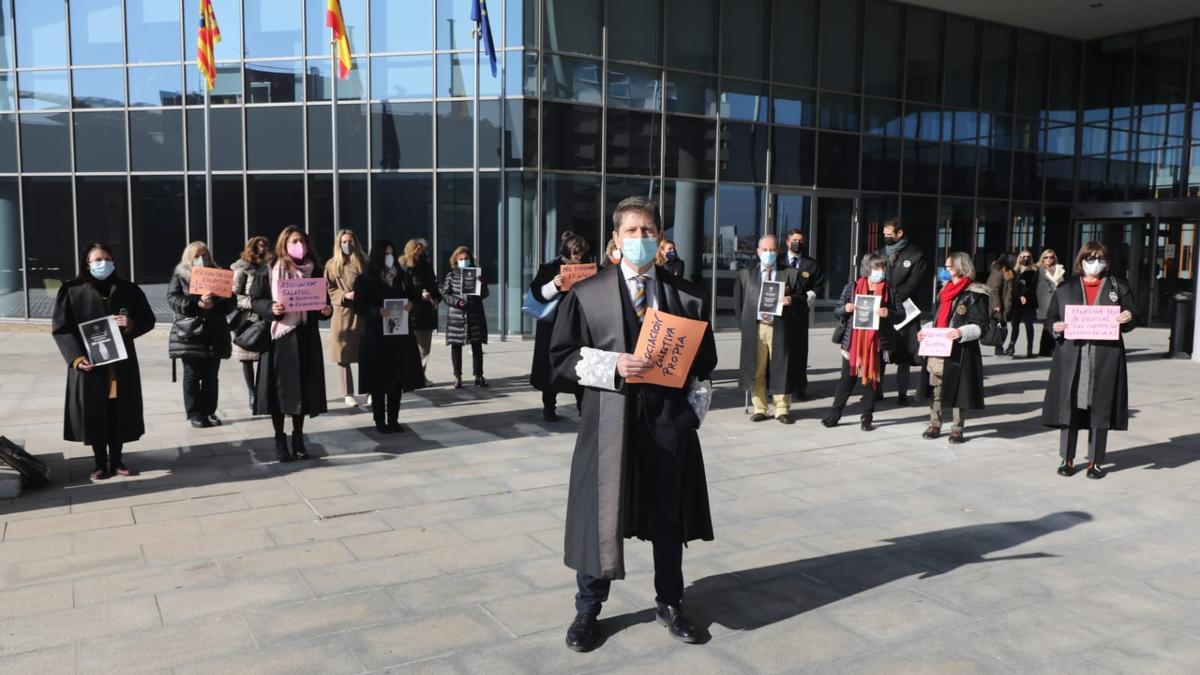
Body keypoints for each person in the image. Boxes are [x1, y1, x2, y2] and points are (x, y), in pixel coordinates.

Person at [551, 196, 717, 652]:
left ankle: (671, 602)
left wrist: (689, 418)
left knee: (668, 516)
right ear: (615, 241)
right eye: (632, 231)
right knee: (601, 515)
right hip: (609, 423)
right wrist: (614, 365)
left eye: (649, 231)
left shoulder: (686, 295)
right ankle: (588, 609)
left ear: (661, 238)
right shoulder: (587, 294)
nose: (641, 239)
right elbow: (560, 360)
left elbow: (705, 366)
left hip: (667, 424)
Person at [52, 243, 155, 480]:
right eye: (97, 259)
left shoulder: (128, 289)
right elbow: (61, 328)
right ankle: (99, 463)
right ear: (87, 263)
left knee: (118, 411)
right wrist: (76, 358)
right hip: (90, 365)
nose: (103, 263)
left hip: (120, 365)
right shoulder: (71, 290)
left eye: (107, 258)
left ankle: (117, 460)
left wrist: (131, 325)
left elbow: (147, 319)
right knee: (95, 413)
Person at [1042, 242, 1135, 480]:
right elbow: (1050, 318)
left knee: (1101, 407)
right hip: (1073, 355)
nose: (1095, 263)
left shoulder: (1118, 286)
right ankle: (1067, 458)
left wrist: (1127, 317)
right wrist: (1055, 327)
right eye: (1090, 258)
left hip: (1105, 355)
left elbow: (1133, 317)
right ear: (1081, 261)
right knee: (1069, 407)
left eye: (1100, 259)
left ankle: (1096, 461)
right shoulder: (1066, 288)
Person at [251, 226, 333, 462]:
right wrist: (271, 308)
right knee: (279, 392)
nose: (300, 245)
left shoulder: (314, 270)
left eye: (303, 241)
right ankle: (280, 440)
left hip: (306, 337)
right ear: (284, 244)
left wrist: (326, 310)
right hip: (280, 339)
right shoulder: (269, 269)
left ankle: (298, 438)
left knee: (303, 391)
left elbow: (323, 303)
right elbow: (256, 300)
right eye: (295, 241)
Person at [822, 254, 904, 431]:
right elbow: (837, 311)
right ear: (868, 270)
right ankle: (834, 415)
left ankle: (867, 417)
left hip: (877, 344)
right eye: (876, 269)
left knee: (871, 382)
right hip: (853, 342)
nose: (880, 273)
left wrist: (888, 313)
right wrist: (846, 309)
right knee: (846, 380)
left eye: (883, 269)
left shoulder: (890, 290)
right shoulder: (852, 287)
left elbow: (901, 315)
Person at [918, 252, 989, 444]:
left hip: (960, 350)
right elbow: (935, 318)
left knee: (959, 389)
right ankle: (935, 423)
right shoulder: (943, 291)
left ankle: (957, 427)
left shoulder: (976, 293)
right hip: (938, 347)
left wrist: (961, 332)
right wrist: (925, 331)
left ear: (961, 267)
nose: (946, 270)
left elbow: (981, 325)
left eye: (949, 267)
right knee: (936, 388)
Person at [354, 240, 423, 433]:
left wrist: (411, 305)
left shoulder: (401, 276)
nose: (390, 257)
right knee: (378, 381)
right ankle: (379, 420)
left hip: (398, 335)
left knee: (397, 379)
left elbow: (414, 296)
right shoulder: (364, 279)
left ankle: (394, 419)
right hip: (376, 336)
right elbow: (358, 306)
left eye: (392, 253)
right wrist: (376, 311)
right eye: (386, 254)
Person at [733, 234, 802, 425]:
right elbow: (739, 304)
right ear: (758, 252)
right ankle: (760, 408)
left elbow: (802, 302)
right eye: (765, 250)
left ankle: (782, 409)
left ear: (777, 251)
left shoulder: (789, 274)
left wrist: (792, 301)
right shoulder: (745, 275)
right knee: (757, 368)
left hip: (779, 328)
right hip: (756, 328)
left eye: (772, 250)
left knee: (782, 367)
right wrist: (744, 328)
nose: (769, 253)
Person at [167, 241, 233, 428]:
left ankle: (210, 411)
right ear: (189, 257)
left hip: (214, 333)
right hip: (190, 333)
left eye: (204, 254)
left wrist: (215, 305)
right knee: (192, 375)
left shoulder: (219, 274)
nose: (201, 258)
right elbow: (173, 298)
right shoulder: (180, 274)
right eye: (197, 255)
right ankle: (195, 413)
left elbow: (230, 301)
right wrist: (196, 303)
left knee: (211, 376)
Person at [529, 232, 589, 421]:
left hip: (579, 324)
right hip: (553, 326)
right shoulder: (549, 268)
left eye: (580, 253)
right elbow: (537, 294)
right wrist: (554, 285)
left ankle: (583, 410)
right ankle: (549, 408)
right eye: (575, 252)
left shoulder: (588, 268)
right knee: (550, 369)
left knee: (581, 367)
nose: (577, 257)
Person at [874, 218, 927, 405]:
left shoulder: (915, 255)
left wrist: (893, 301)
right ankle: (877, 389)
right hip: (882, 310)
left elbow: (913, 284)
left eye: (889, 235)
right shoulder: (879, 254)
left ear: (899, 234)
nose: (886, 238)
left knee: (903, 355)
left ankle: (902, 394)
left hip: (905, 312)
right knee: (879, 352)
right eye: (884, 235)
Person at [780, 228, 824, 398]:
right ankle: (778, 386)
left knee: (799, 351)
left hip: (799, 312)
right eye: (795, 240)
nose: (798, 243)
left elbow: (819, 284)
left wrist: (812, 294)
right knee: (780, 351)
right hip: (780, 312)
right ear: (788, 242)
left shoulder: (811, 264)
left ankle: (799, 387)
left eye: (801, 241)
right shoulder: (778, 261)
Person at [325, 229, 366, 407]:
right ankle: (348, 393)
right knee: (343, 354)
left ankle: (370, 389)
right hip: (342, 313)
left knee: (366, 352)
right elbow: (328, 289)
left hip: (362, 313)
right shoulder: (332, 265)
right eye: (344, 241)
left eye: (350, 241)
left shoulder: (364, 262)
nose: (347, 245)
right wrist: (344, 295)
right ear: (338, 244)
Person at [442, 246, 490, 388]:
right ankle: (458, 376)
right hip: (456, 316)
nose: (464, 261)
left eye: (466, 259)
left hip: (475, 314)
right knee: (456, 346)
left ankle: (479, 375)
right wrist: (457, 302)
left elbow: (484, 294)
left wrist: (482, 284)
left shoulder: (477, 274)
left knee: (477, 345)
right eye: (461, 259)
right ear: (456, 260)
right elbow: (445, 294)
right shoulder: (451, 276)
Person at [231, 236, 269, 413]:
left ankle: (262, 392)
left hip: (266, 316)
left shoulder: (270, 267)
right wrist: (251, 303)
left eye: (265, 247)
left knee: (264, 356)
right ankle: (252, 393)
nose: (262, 250)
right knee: (246, 357)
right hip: (247, 317)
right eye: (259, 247)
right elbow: (234, 295)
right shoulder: (242, 268)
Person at [399, 238, 440, 385]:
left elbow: (434, 288)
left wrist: (435, 298)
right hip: (410, 312)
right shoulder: (404, 267)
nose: (420, 253)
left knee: (424, 349)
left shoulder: (427, 267)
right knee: (409, 349)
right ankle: (409, 377)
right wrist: (418, 296)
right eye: (417, 250)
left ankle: (420, 376)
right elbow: (403, 290)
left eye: (422, 250)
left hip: (426, 312)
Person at [1006, 248, 1039, 358]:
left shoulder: (1034, 270)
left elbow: (1031, 286)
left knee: (1029, 325)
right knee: (1015, 325)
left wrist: (1024, 295)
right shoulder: (1015, 271)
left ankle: (1029, 349)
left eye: (1028, 257)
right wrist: (1019, 295)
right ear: (1019, 258)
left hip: (1029, 302)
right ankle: (1011, 346)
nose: (1026, 259)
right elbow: (1012, 286)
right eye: (1023, 256)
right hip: (1017, 302)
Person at [1036, 248, 1066, 357]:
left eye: (1051, 257)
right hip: (1044, 301)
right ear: (1042, 258)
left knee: (1052, 324)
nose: (1049, 259)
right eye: (1046, 257)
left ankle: (1050, 349)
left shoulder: (1059, 269)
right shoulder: (1038, 270)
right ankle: (1045, 350)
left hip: (1057, 299)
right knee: (1047, 325)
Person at [985, 253, 1015, 356]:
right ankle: (999, 348)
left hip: (1004, 303)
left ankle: (999, 348)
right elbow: (994, 289)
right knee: (999, 326)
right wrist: (996, 304)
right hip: (998, 304)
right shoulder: (998, 271)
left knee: (1001, 325)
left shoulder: (1007, 271)